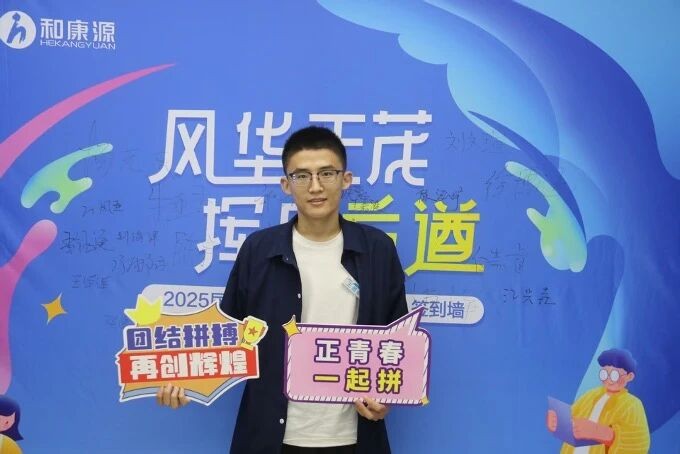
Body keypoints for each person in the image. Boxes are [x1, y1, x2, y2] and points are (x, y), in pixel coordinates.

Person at [158, 126, 408, 453]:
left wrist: (387, 396)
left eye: (327, 173)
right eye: (301, 176)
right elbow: (227, 332)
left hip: (354, 436)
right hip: (271, 438)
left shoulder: (377, 249)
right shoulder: (258, 250)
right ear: (286, 184)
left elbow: (399, 339)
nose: (315, 186)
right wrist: (184, 379)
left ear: (345, 179)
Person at [546, 348, 650, 453]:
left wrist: (602, 433)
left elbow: (641, 442)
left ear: (629, 376)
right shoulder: (590, 396)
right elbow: (570, 420)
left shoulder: (632, 405)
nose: (609, 380)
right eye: (604, 374)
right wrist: (556, 422)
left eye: (614, 375)